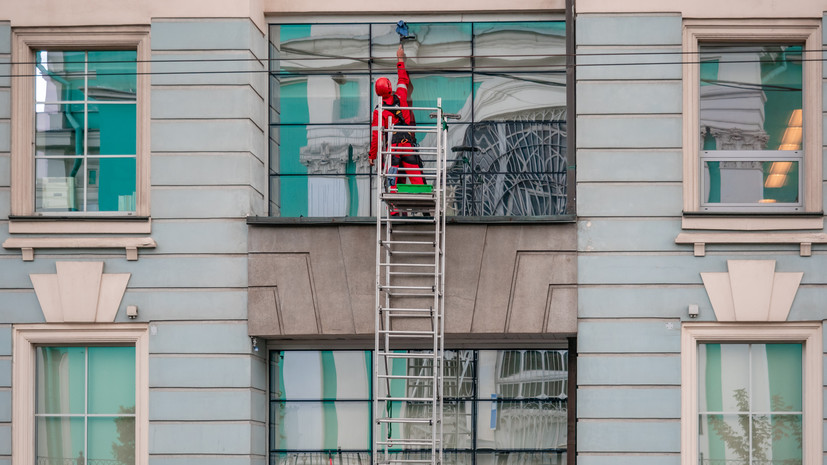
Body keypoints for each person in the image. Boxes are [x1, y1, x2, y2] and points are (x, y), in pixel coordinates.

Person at [368, 44, 424, 190]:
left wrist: (372, 155)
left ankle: (393, 211)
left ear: (378, 93)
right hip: (407, 145)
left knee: (392, 183)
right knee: (417, 178)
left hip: (393, 148)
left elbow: (376, 137)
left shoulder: (379, 112)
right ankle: (426, 207)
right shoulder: (401, 96)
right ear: (389, 87)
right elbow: (403, 79)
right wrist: (400, 58)